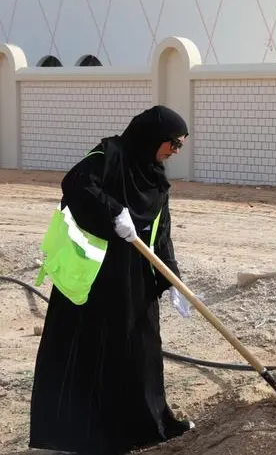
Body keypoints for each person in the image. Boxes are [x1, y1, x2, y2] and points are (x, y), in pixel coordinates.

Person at [29, 105, 194, 455]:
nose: (174, 152)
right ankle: (71, 434)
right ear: (152, 137)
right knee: (88, 348)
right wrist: (113, 211)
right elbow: (75, 184)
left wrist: (172, 281)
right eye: (173, 144)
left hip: (134, 278)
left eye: (179, 146)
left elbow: (161, 235)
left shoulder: (156, 179)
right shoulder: (109, 154)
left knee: (141, 348)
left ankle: (148, 425)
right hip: (96, 275)